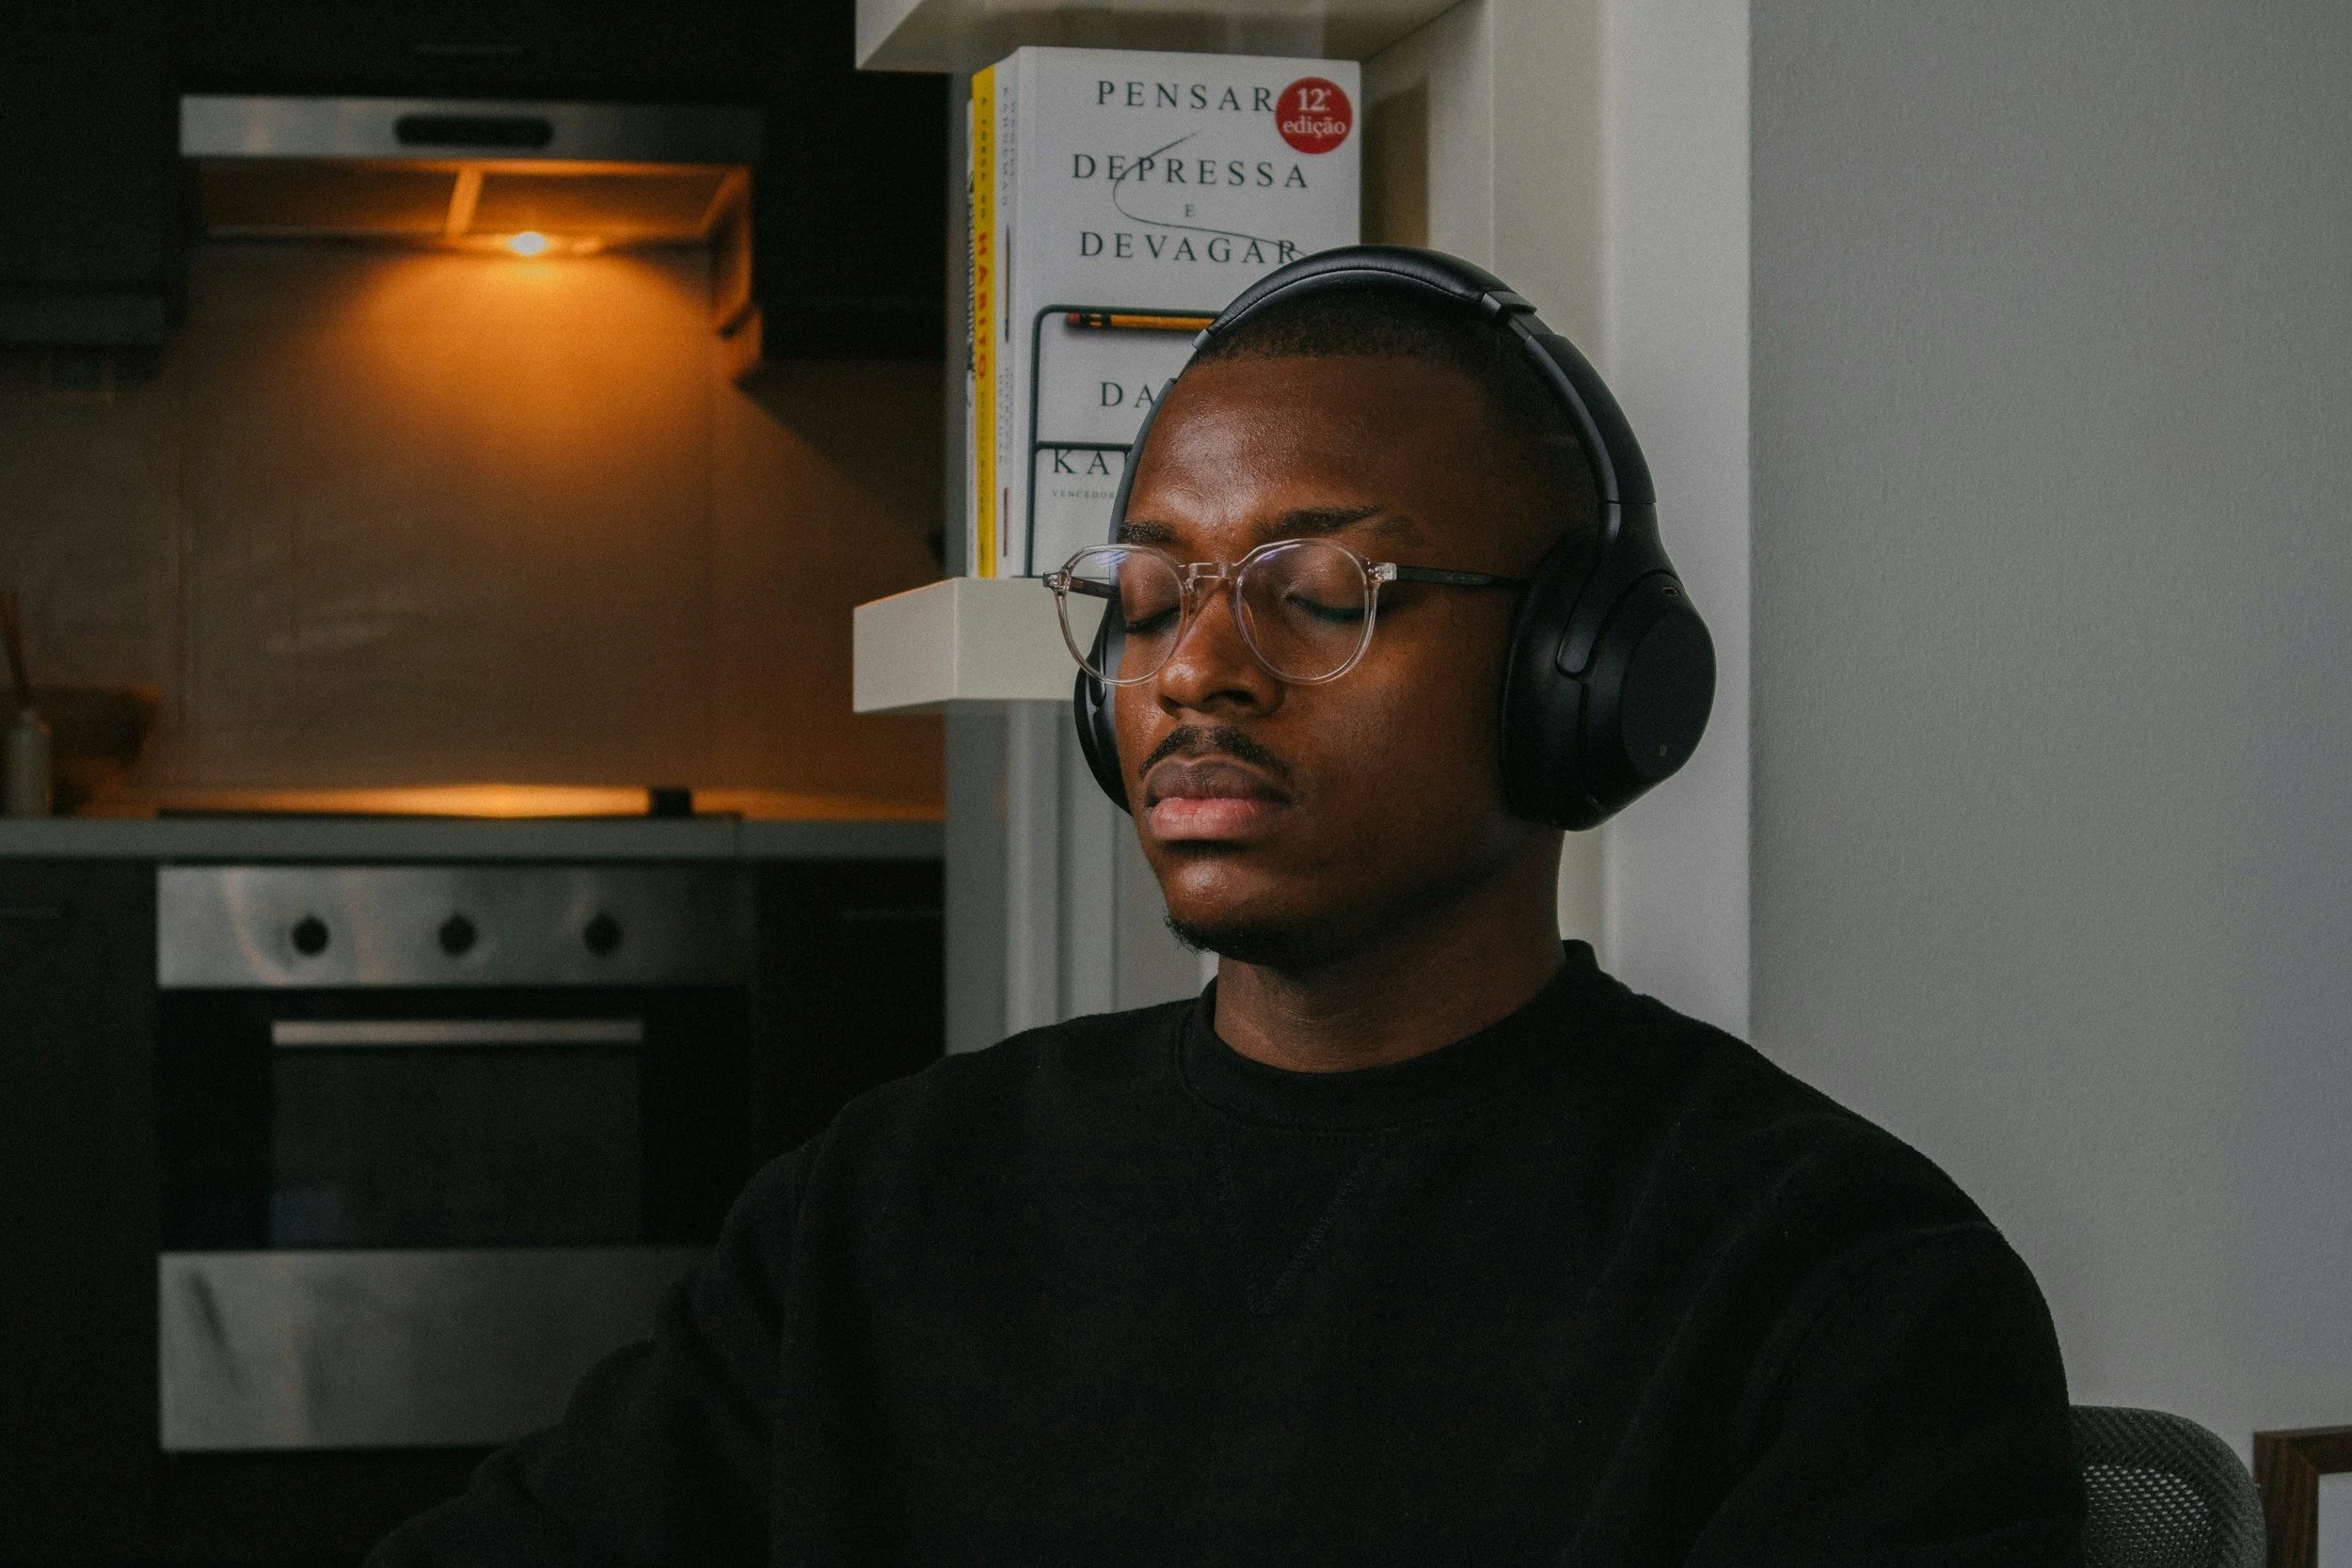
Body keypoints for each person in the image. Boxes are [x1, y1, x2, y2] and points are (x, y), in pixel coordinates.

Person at [371, 248, 2083, 1565]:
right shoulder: (887, 1204)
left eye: (1317, 591)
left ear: (1579, 674)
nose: (1194, 667)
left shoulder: (1837, 1283)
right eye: (1147, 594)